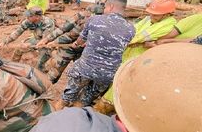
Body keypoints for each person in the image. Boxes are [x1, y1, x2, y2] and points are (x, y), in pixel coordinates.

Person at [31, 43, 201, 132]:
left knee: (71, 96)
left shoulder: (69, 122)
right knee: (86, 96)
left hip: (84, 69)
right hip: (105, 74)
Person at [98, 0, 177, 111]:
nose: (152, 16)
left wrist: (117, 40)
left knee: (122, 82)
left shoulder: (168, 25)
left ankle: (105, 107)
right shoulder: (148, 19)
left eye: (155, 15)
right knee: (115, 79)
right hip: (127, 53)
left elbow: (138, 37)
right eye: (151, 13)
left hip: (139, 58)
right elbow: (133, 29)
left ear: (167, 15)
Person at [58, 0, 135, 108]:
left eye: (105, 7)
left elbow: (80, 41)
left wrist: (77, 44)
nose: (104, 10)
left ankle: (63, 103)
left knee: (68, 95)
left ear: (111, 6)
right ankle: (79, 108)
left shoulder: (94, 19)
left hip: (85, 69)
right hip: (108, 75)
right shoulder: (131, 28)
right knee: (85, 99)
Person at [37, 4, 105, 83]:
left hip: (84, 52)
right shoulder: (80, 16)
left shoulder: (103, 24)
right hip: (68, 48)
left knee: (82, 76)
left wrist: (87, 43)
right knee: (54, 72)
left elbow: (74, 35)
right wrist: (48, 39)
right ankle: (44, 86)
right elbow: (64, 29)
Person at [1, 6, 55, 72]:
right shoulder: (28, 21)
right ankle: (13, 66)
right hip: (37, 39)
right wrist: (5, 42)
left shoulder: (48, 23)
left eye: (30, 16)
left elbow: (44, 42)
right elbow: (17, 32)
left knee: (39, 63)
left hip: (48, 43)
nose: (27, 17)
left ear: (37, 17)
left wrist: (29, 44)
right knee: (19, 50)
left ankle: (42, 71)